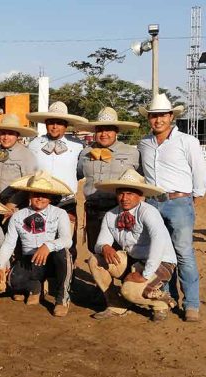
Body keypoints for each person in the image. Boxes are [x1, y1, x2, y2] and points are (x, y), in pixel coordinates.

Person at [137, 93, 205, 322]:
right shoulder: (143, 143)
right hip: (153, 202)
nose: (158, 120)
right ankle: (166, 299)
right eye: (154, 116)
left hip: (179, 202)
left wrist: (193, 198)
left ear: (171, 116)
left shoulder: (188, 142)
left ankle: (192, 304)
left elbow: (199, 172)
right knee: (160, 253)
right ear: (149, 119)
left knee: (184, 253)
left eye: (162, 116)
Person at [88, 169, 177, 322]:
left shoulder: (149, 212)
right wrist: (104, 247)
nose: (124, 198)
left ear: (140, 195)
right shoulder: (111, 215)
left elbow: (159, 242)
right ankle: (116, 305)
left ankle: (161, 303)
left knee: (129, 291)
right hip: (134, 260)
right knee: (95, 260)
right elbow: (100, 243)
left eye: (130, 193)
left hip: (161, 261)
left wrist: (145, 274)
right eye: (121, 193)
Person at [0, 171, 74, 317]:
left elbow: (67, 239)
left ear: (50, 197)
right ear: (29, 195)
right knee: (12, 282)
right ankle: (35, 287)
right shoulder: (18, 216)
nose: (40, 198)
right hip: (29, 259)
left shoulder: (60, 213)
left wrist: (48, 246)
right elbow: (9, 243)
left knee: (64, 254)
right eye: (36, 193)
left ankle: (62, 299)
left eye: (44, 194)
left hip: (51, 258)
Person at [26, 102, 87, 260]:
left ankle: (66, 279)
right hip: (40, 200)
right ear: (46, 123)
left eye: (59, 123)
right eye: (51, 122)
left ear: (66, 125)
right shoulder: (34, 145)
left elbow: (81, 171)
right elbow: (30, 171)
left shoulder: (77, 145)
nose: (54, 126)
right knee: (38, 239)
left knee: (67, 242)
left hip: (66, 200)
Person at [76, 107, 140, 252]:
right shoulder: (85, 154)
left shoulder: (132, 153)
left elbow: (141, 180)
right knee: (96, 251)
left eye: (109, 130)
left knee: (121, 254)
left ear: (116, 131)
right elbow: (79, 173)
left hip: (119, 211)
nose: (104, 134)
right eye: (100, 130)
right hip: (93, 211)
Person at [0, 114, 37, 215]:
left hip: (14, 207)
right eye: (3, 133)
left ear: (17, 135)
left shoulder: (26, 155)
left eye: (10, 134)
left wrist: (11, 204)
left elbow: (29, 184)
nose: (6, 137)